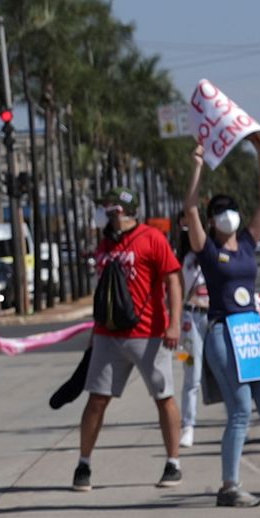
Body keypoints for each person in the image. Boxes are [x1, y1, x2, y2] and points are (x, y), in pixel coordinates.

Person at [179, 150, 260, 508]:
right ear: (211, 219)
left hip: (252, 330)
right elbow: (189, 206)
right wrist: (197, 164)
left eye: (230, 209)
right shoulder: (205, 248)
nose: (228, 216)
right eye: (219, 212)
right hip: (222, 330)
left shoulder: (249, 241)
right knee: (239, 410)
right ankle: (229, 485)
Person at [72, 202, 185, 492]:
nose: (108, 217)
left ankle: (173, 462)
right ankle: (83, 464)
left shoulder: (152, 238)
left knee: (163, 396)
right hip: (108, 334)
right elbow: (103, 290)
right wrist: (95, 330)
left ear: (123, 212)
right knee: (97, 399)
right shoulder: (105, 244)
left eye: (111, 211)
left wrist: (174, 323)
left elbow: (173, 279)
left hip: (148, 332)